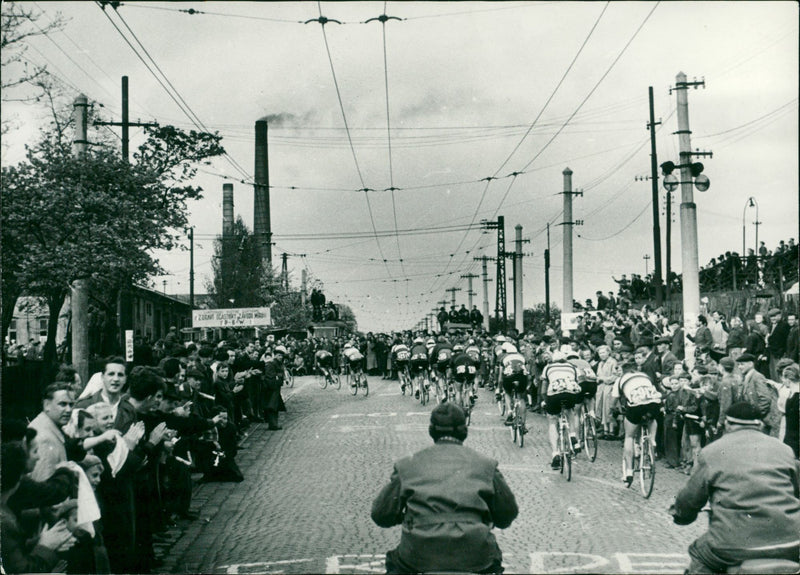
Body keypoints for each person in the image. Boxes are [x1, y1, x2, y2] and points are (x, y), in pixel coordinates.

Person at [371, 403, 518, 574]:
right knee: (493, 563)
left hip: (420, 555)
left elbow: (381, 515)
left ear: (432, 430)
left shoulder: (407, 465)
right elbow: (507, 514)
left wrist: (407, 517)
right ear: (464, 431)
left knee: (395, 564)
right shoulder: (486, 465)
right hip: (475, 555)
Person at [670, 402, 800, 574]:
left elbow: (690, 499)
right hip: (791, 541)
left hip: (733, 544)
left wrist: (681, 515)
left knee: (698, 553)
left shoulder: (712, 451)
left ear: (728, 424)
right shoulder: (784, 450)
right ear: (760, 425)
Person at [611, 361, 662, 486]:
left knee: (629, 436)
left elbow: (614, 400)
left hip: (636, 406)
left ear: (623, 371)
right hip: (654, 403)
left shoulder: (621, 379)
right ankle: (652, 440)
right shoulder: (645, 376)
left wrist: (613, 410)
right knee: (652, 419)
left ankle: (629, 471)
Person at [541, 350, 582, 469]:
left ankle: (555, 454)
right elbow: (577, 382)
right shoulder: (572, 367)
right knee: (570, 411)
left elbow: (544, 387)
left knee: (552, 421)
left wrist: (544, 400)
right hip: (570, 392)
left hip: (554, 393)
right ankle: (573, 436)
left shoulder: (548, 367)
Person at [28, 383, 75, 482]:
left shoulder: (47, 426)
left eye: (71, 404)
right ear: (47, 405)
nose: (69, 410)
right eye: (63, 404)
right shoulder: (44, 438)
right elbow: (42, 487)